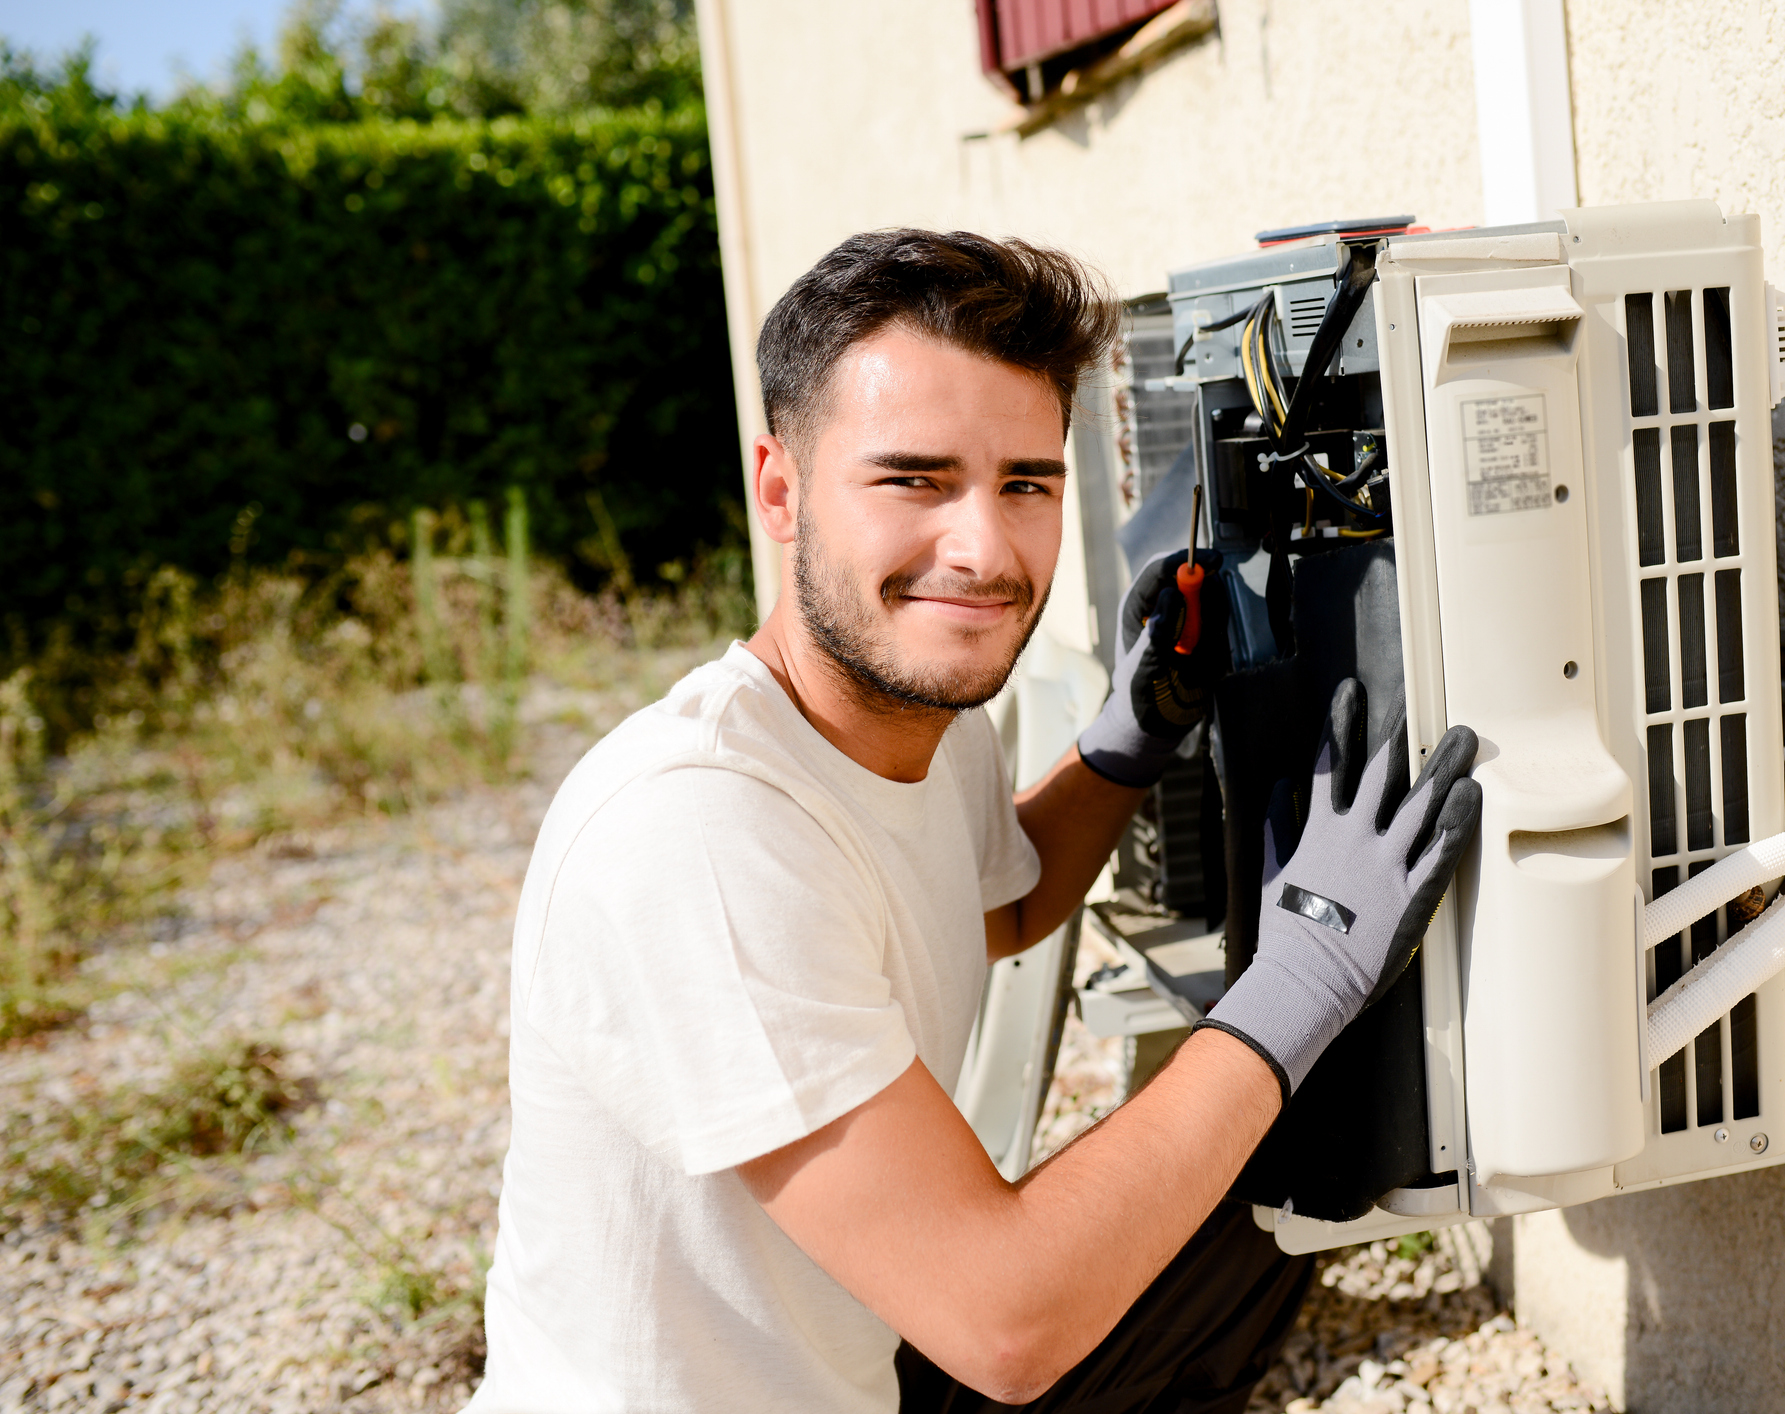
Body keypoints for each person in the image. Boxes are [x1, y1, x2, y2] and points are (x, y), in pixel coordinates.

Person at [467, 229, 1481, 1414]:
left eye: (1025, 484)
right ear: (781, 492)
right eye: (914, 479)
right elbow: (1007, 1322)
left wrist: (1132, 734)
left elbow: (999, 900)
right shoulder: (697, 834)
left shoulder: (918, 718)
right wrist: (1301, 968)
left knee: (1255, 1184)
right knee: (1172, 1170)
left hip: (865, 1366)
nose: (986, 550)